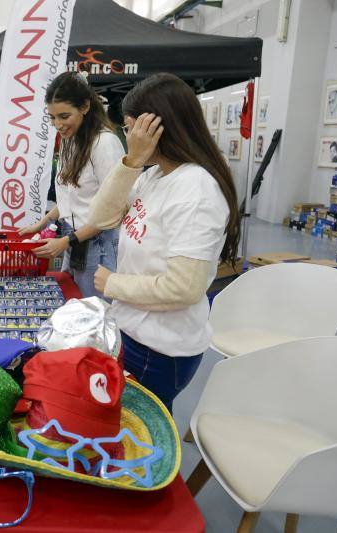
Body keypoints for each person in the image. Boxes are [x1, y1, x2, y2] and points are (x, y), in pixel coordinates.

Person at [86, 73, 240, 411]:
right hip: (135, 333)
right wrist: (131, 161)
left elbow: (184, 288)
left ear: (158, 127)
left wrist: (114, 283)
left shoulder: (196, 190)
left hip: (159, 349)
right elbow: (99, 216)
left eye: (131, 129)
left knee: (143, 438)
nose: (129, 138)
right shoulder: (155, 175)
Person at [20, 72, 124, 298]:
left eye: (64, 116)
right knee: (74, 306)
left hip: (98, 245)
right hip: (74, 240)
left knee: (95, 314)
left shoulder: (105, 144)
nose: (58, 124)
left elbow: (114, 212)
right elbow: (71, 197)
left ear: (85, 107)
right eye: (52, 117)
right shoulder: (71, 141)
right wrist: (43, 223)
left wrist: (67, 241)